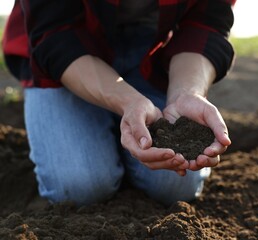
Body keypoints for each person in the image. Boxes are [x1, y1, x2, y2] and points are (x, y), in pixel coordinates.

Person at [2, 0, 236, 206]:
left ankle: (113, 145)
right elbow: (54, 33)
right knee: (80, 186)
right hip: (66, 57)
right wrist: (128, 102)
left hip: (151, 52)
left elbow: (206, 23)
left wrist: (185, 93)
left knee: (175, 185)